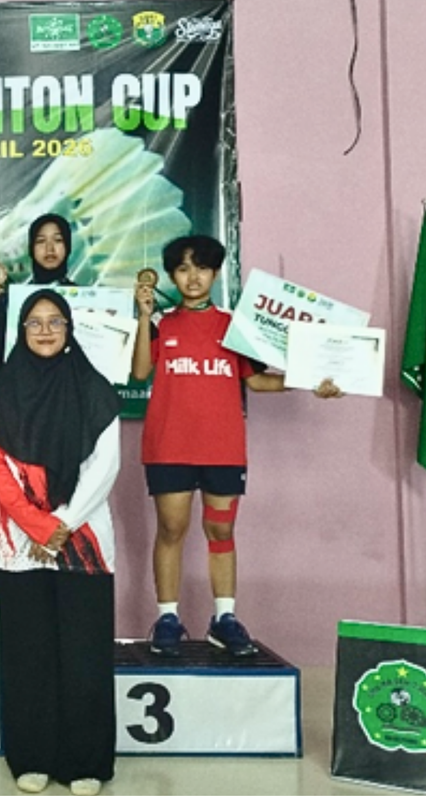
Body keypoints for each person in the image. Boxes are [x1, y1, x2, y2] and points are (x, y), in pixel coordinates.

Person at [131, 235, 340, 658]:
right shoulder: (161, 324)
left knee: (222, 531)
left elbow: (258, 381)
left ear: (215, 273)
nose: (193, 277)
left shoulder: (235, 327)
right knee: (171, 530)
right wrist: (144, 316)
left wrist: (311, 382)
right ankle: (168, 618)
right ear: (172, 275)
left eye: (202, 268)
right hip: (169, 447)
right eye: (183, 269)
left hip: (223, 450)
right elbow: (138, 373)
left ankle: (224, 618)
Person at [0, 290, 121, 796]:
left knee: (84, 654)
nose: (44, 331)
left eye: (54, 321)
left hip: (84, 545)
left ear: (69, 328)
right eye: (34, 322)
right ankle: (31, 757)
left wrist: (63, 523)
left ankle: (85, 762)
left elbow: (105, 466)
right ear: (20, 330)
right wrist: (39, 528)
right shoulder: (2, 395)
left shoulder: (95, 390)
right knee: (28, 655)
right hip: (19, 547)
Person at [0, 213, 78, 373]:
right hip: (23, 387)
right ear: (31, 249)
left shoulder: (87, 299)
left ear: (68, 247)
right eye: (41, 241)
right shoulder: (14, 299)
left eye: (58, 240)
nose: (50, 248)